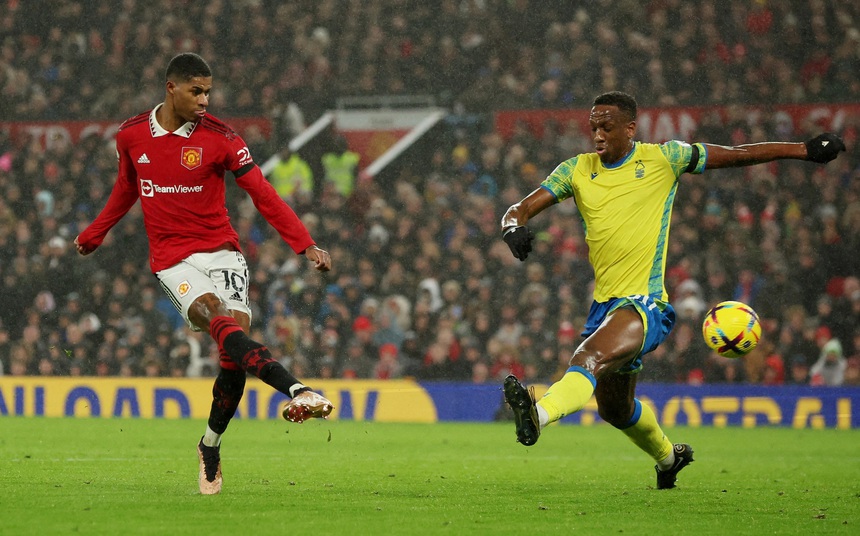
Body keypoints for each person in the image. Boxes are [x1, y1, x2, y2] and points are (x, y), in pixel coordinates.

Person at [500, 91, 846, 489]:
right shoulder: (577, 169)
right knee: (615, 409)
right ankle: (669, 459)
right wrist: (513, 228)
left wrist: (802, 149)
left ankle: (537, 416)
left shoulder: (664, 158)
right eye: (593, 126)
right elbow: (519, 208)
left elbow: (735, 153)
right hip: (605, 307)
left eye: (606, 127)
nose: (597, 135)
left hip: (647, 305)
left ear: (630, 128)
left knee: (588, 357)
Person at [74, 53, 334, 495]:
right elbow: (126, 187)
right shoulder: (132, 134)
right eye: (196, 90)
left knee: (233, 357)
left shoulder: (223, 139)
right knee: (215, 316)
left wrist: (304, 243)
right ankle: (296, 388)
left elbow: (263, 194)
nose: (205, 99)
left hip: (223, 254)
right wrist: (96, 232)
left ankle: (209, 445)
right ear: (171, 87)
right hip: (172, 260)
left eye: (209, 91)